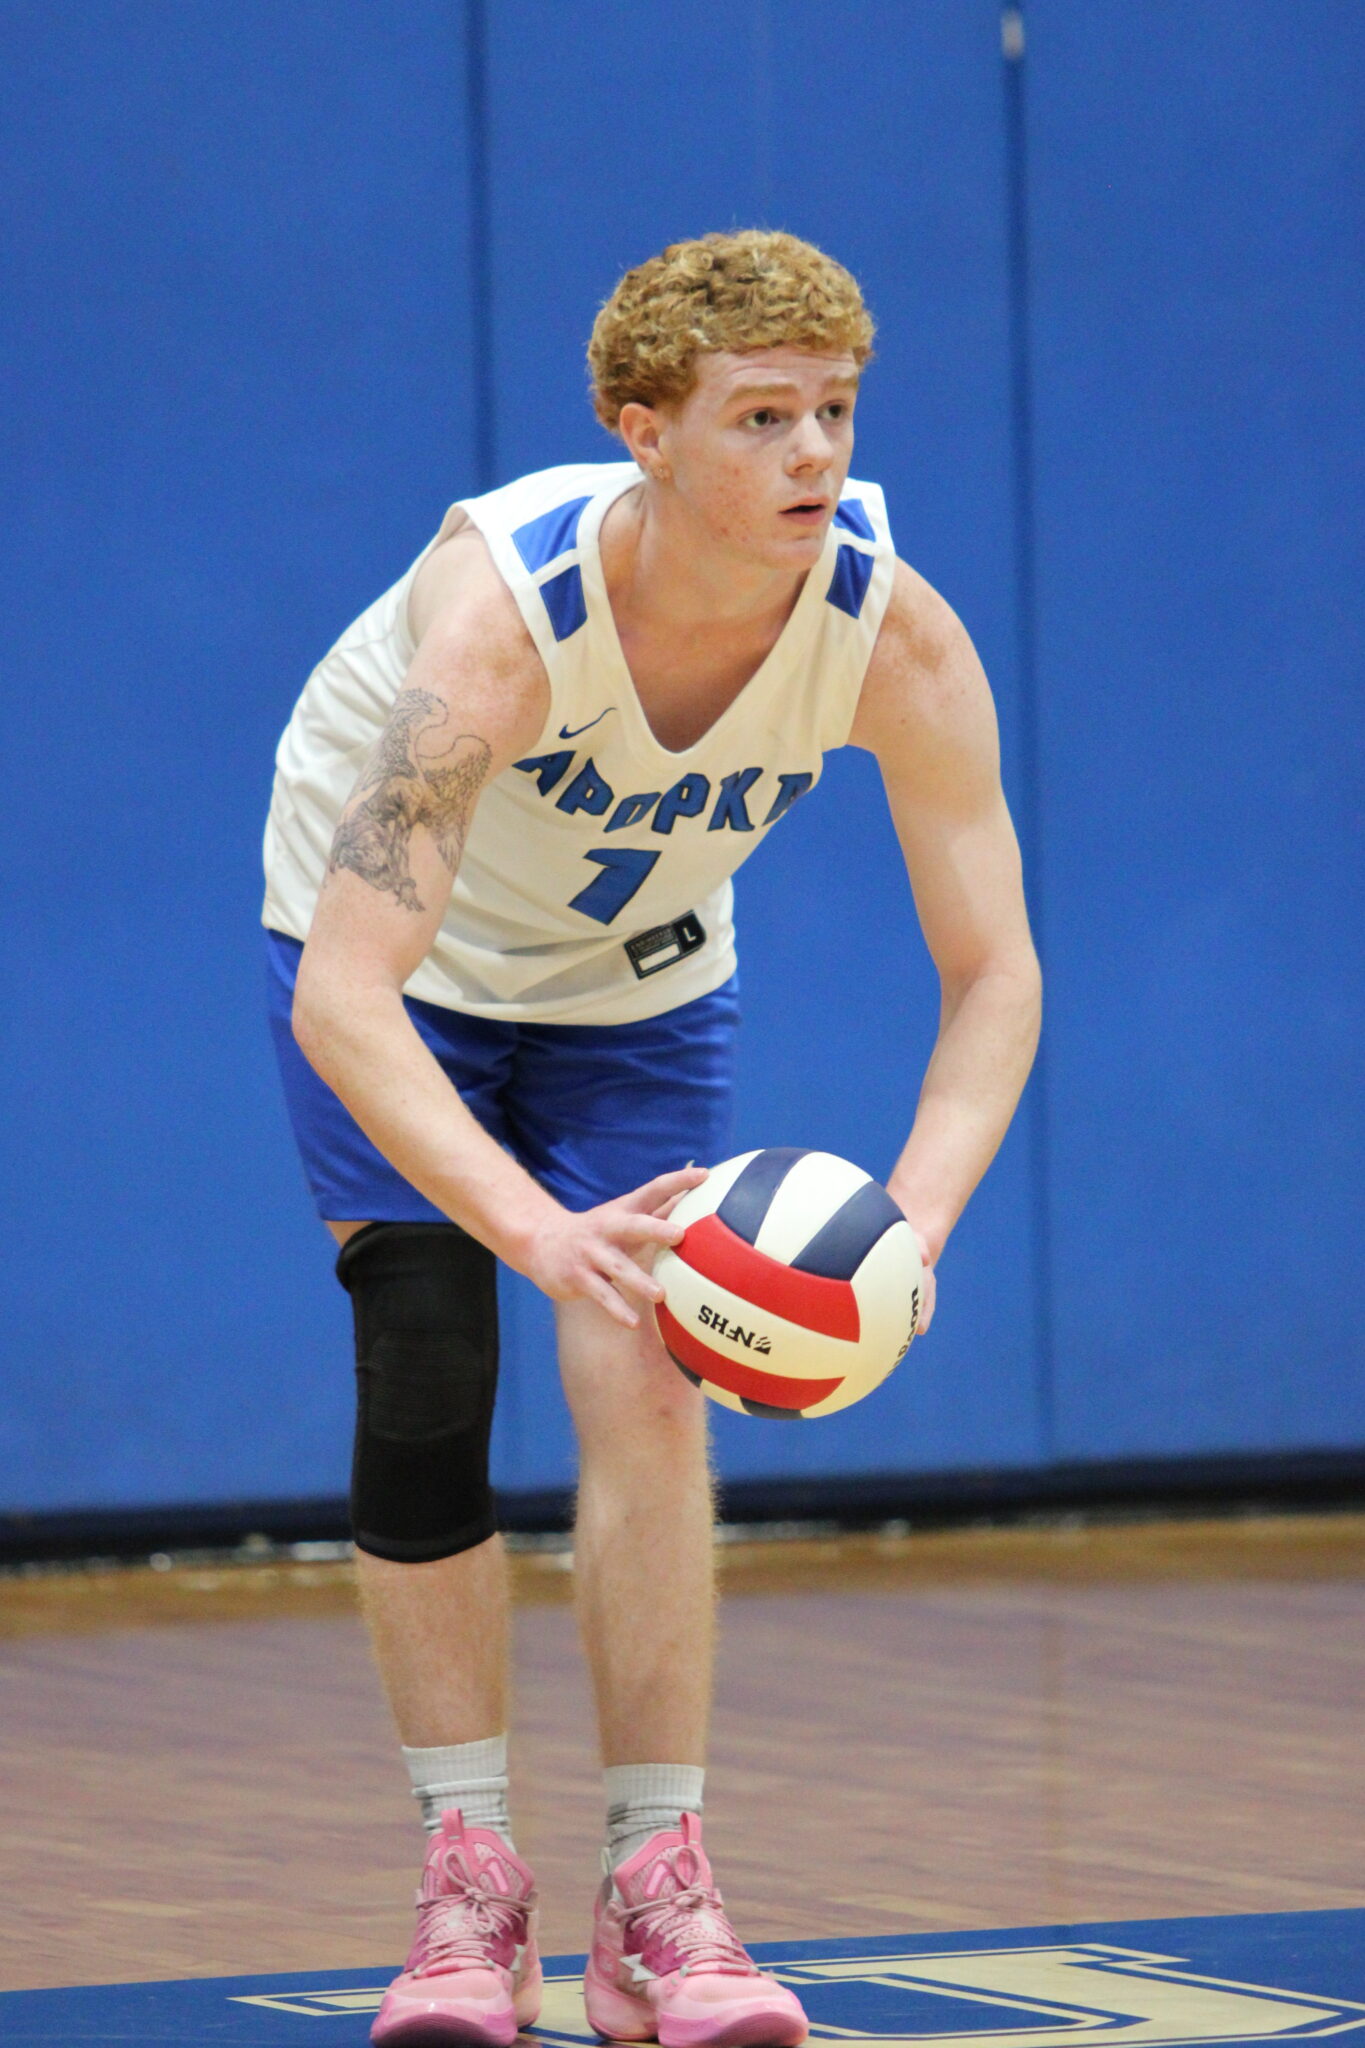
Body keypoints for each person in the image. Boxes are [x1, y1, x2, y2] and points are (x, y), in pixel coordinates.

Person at [262, 229, 1041, 2048]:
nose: (812, 457)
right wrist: (534, 1227)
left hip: (631, 976)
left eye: (832, 412)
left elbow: (994, 974)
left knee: (647, 1377)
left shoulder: (888, 632)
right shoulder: (504, 626)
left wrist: (908, 1230)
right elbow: (345, 999)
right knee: (431, 1355)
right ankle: (468, 1887)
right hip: (380, 959)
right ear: (643, 433)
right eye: (759, 416)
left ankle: (657, 1892)